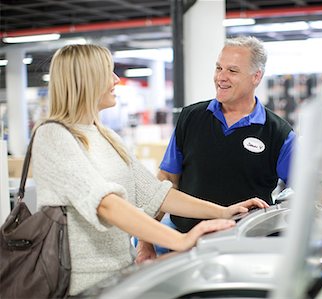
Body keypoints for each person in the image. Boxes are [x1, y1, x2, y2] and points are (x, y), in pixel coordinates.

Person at [30, 44, 268, 296]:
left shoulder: (107, 136)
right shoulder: (53, 135)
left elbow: (158, 194)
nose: (116, 79)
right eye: (108, 72)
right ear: (85, 80)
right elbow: (105, 203)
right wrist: (178, 240)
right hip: (77, 284)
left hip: (119, 276)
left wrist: (223, 212)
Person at [140, 36, 295, 257]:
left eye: (232, 71)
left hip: (244, 249)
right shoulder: (191, 117)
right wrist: (146, 240)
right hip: (183, 244)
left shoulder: (278, 133)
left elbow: (303, 194)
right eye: (219, 68)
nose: (221, 77)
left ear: (256, 77)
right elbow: (166, 180)